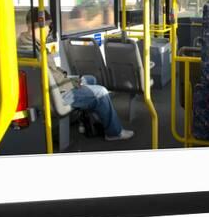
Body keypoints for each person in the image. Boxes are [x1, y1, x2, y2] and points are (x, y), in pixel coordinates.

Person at [17, 8, 134, 141]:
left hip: (40, 94)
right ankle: (114, 132)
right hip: (55, 96)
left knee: (90, 79)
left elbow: (52, 74)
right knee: (101, 92)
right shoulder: (38, 52)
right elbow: (56, 81)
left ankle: (87, 122)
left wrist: (75, 80)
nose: (49, 30)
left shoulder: (22, 44)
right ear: (40, 26)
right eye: (49, 26)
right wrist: (75, 83)